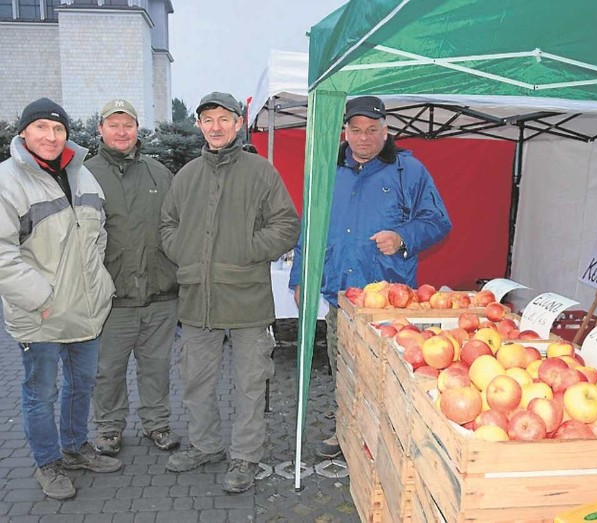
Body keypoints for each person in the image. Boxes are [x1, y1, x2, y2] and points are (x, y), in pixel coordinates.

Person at [289, 95, 452, 458]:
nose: (364, 138)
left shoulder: (409, 172)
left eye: (372, 130)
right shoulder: (327, 171)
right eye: (356, 130)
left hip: (388, 301)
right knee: (343, 368)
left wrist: (404, 237)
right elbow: (309, 229)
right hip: (342, 298)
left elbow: (439, 221)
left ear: (386, 131)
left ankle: (384, 439)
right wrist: (301, 276)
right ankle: (344, 430)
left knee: (385, 374)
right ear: (344, 132)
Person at [159, 92, 300, 493]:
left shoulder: (261, 172)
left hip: (247, 301)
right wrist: (186, 252)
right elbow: (167, 225)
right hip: (196, 303)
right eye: (208, 120)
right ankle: (205, 446)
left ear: (238, 123)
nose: (216, 126)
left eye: (224, 118)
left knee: (250, 383)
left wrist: (245, 251)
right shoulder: (186, 176)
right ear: (199, 126)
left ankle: (245, 456)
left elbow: (286, 225)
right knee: (195, 381)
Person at [0, 98, 121, 500]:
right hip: (42, 313)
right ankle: (47, 463)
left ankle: (75, 448)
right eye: (41, 128)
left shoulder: (82, 175)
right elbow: (3, 255)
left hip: (85, 311)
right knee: (41, 393)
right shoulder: (8, 180)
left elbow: (98, 235)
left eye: (58, 129)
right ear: (24, 133)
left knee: (82, 385)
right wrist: (40, 297)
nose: (51, 137)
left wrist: (100, 285)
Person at [85, 99, 179, 456]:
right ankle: (109, 428)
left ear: (137, 129)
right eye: (114, 124)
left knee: (155, 368)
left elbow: (176, 226)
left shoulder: (159, 173)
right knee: (107, 370)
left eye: (128, 124)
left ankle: (157, 423)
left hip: (159, 295)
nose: (121, 132)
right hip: (111, 299)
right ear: (101, 129)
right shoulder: (86, 174)